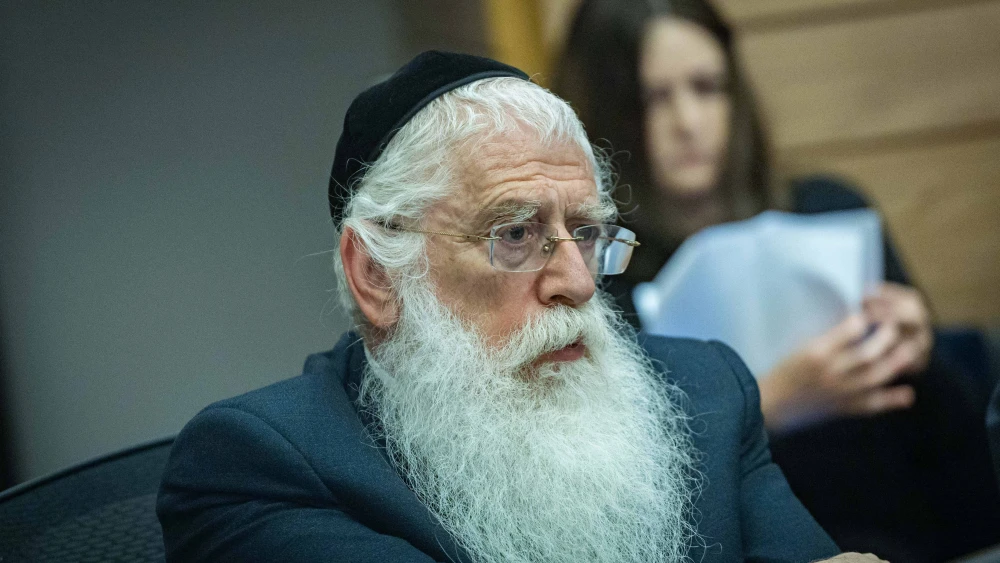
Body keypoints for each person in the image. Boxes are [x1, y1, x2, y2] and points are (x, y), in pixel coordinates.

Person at [154, 51, 880, 563]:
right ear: (376, 274)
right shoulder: (258, 467)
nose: (578, 281)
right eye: (516, 233)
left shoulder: (709, 392)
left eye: (587, 233)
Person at [554, 0, 1000, 560]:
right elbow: (621, 486)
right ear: (604, 111)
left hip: (910, 524)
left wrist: (918, 349)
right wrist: (771, 403)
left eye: (708, 86)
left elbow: (953, 448)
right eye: (652, 98)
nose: (688, 122)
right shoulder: (595, 273)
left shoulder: (827, 211)